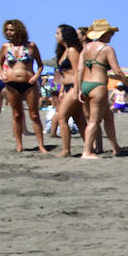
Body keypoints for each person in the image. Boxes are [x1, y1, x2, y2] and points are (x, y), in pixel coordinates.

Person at [0, 19, 46, 153]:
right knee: (17, 114)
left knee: (34, 114)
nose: (9, 32)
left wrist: (36, 76)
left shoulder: (31, 46)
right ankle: (19, 145)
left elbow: (40, 65)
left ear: (19, 30)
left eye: (11, 30)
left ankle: (41, 145)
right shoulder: (6, 47)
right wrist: (2, 74)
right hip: (11, 84)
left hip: (29, 83)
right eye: (7, 30)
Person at [77, 19, 127, 158]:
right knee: (94, 121)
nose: (112, 35)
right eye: (110, 32)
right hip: (98, 86)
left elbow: (80, 70)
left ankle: (116, 147)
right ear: (104, 33)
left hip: (86, 85)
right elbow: (117, 71)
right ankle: (86, 151)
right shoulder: (107, 49)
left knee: (108, 117)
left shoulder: (86, 48)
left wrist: (79, 89)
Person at [49, 25, 88, 157]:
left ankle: (66, 150)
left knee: (62, 116)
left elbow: (78, 71)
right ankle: (90, 147)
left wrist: (77, 89)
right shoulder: (63, 50)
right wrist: (60, 90)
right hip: (66, 88)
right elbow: (61, 73)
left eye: (57, 33)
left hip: (74, 87)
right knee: (79, 119)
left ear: (65, 35)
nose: (55, 36)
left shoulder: (72, 50)